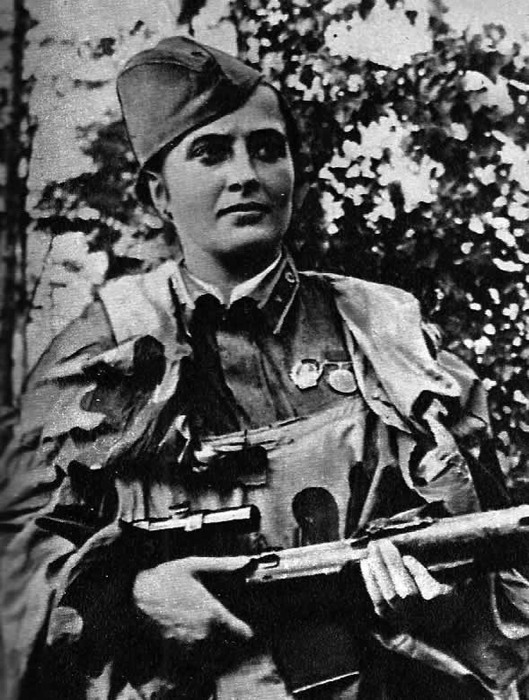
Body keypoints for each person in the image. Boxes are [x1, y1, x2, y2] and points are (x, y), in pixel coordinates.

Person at [1, 35, 529, 700]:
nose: (245, 175)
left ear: (294, 176)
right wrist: (132, 596)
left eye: (267, 148)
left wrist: (437, 609)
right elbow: (18, 564)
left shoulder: (387, 333)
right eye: (210, 153)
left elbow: (498, 570)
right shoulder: (102, 347)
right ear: (160, 195)